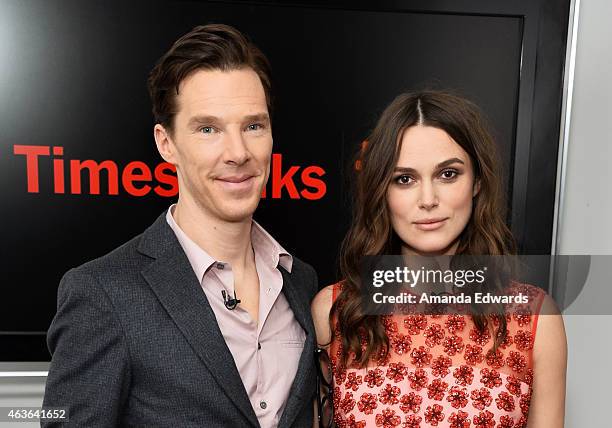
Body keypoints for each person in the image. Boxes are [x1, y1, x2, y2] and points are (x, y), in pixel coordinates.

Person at [43, 24, 318, 427]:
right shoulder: (103, 294)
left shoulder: (301, 282)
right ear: (165, 143)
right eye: (208, 129)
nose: (238, 152)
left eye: (253, 126)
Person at [311, 91, 567, 427]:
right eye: (405, 179)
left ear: (476, 181)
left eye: (448, 174)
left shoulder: (534, 319)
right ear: (381, 192)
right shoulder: (336, 310)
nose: (428, 199)